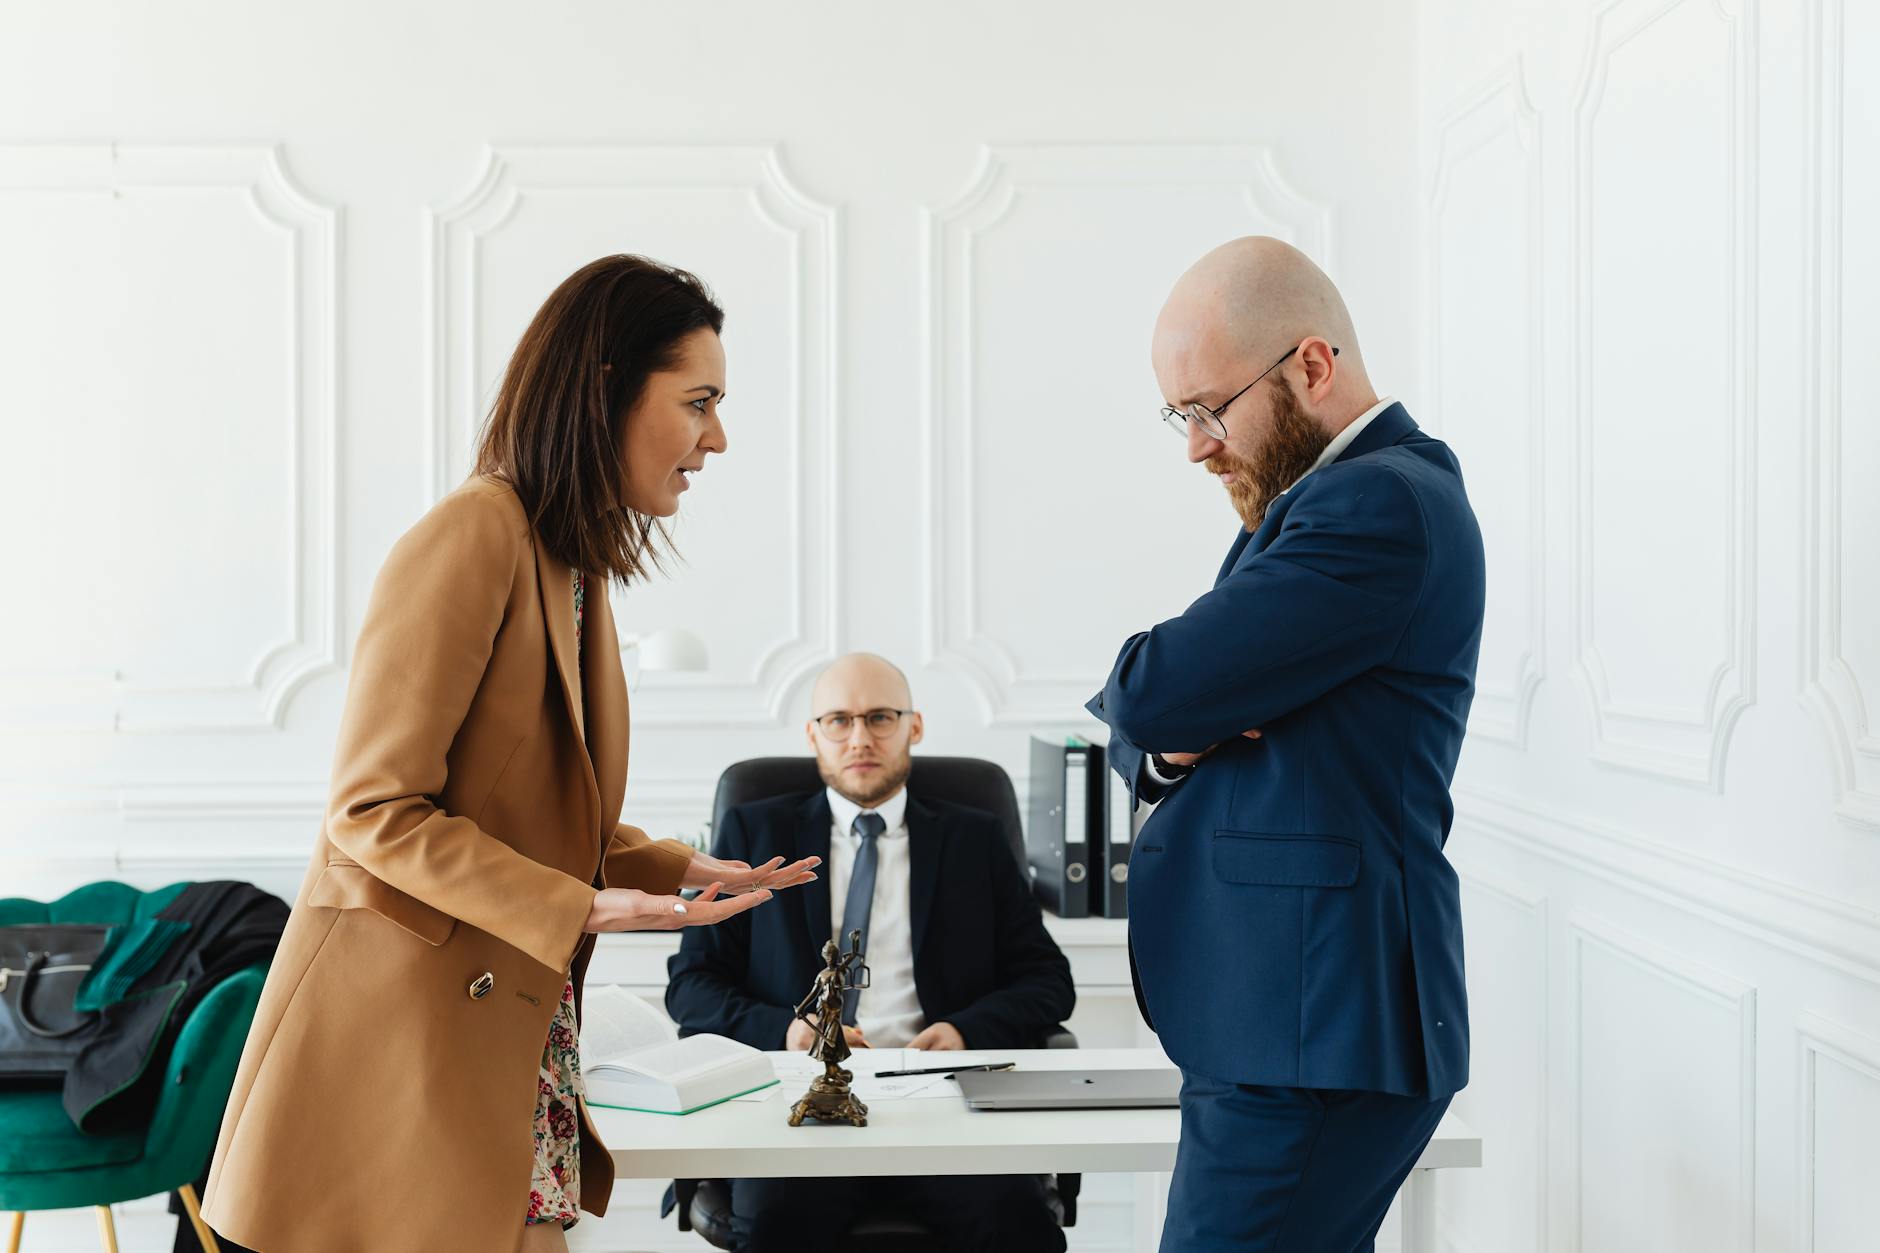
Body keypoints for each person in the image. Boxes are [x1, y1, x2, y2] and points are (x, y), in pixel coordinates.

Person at [198, 255, 819, 1253]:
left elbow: (513, 805)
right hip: (406, 1043)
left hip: (504, 1029)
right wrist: (579, 904)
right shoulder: (473, 535)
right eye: (697, 402)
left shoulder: (568, 559)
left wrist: (671, 865)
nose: (717, 437)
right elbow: (373, 810)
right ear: (607, 388)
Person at [1086, 237, 1486, 1251]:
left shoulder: (1374, 501)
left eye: (1208, 409)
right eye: (1179, 417)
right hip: (1287, 1020)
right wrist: (1177, 738)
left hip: (1309, 1028)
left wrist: (1175, 717)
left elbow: (1150, 689)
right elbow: (1162, 725)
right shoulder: (1318, 500)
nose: (1195, 446)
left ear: (1310, 365)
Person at [666, 652, 1073, 1253]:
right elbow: (692, 986)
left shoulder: (974, 837)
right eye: (839, 720)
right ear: (813, 735)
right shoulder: (755, 834)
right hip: (800, 1110)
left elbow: (1047, 981)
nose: (860, 738)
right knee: (776, 1225)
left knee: (1018, 1226)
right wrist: (789, 1031)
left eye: (880, 717)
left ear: (914, 726)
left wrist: (965, 1029)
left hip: (941, 1108)